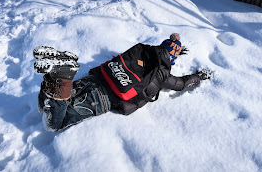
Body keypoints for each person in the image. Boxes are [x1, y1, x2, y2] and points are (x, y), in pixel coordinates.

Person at [34, 33, 211, 132]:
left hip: (96, 78)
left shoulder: (144, 50)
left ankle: (59, 76)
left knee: (44, 106)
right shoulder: (162, 73)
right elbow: (180, 84)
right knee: (55, 124)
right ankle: (61, 79)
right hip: (105, 98)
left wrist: (174, 42)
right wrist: (199, 77)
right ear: (172, 59)